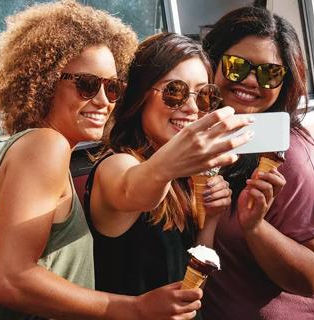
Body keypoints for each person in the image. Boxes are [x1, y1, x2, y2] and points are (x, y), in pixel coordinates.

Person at [0, 2, 206, 319]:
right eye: (87, 85)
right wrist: (136, 308)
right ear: (45, 81)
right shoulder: (45, 145)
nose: (103, 101)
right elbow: (10, 281)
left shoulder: (44, 147)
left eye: (112, 87)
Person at [84, 32, 253, 309]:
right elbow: (132, 189)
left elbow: (192, 283)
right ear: (140, 95)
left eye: (203, 95)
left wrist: (210, 219)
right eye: (174, 91)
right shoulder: (117, 164)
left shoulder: (185, 176)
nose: (191, 108)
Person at [201, 6, 314, 319]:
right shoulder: (207, 135)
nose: (250, 81)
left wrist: (256, 226)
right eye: (237, 66)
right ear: (211, 63)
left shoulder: (292, 157)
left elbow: (311, 278)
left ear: (285, 83)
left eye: (269, 73)